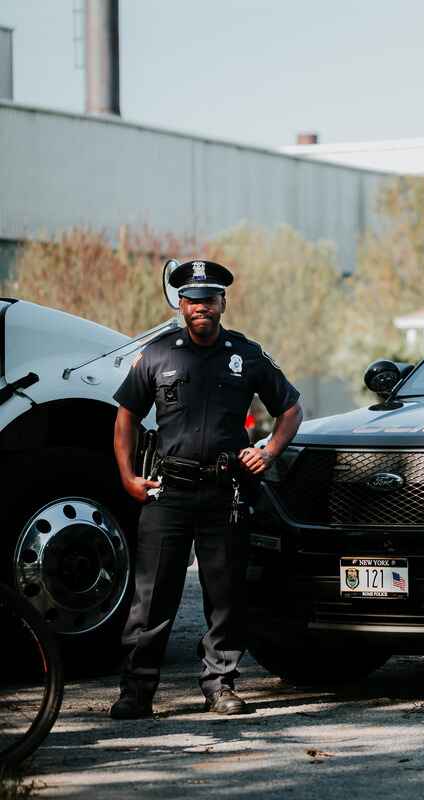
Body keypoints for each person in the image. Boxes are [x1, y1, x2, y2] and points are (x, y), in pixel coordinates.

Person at [109, 259, 303, 719]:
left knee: (226, 595)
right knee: (151, 595)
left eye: (209, 300)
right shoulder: (157, 355)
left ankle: (220, 686)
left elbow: (291, 408)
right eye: (193, 300)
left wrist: (269, 450)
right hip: (168, 492)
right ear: (181, 304)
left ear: (222, 303)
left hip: (226, 492)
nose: (201, 308)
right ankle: (137, 690)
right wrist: (127, 477)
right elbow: (125, 418)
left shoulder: (246, 354)